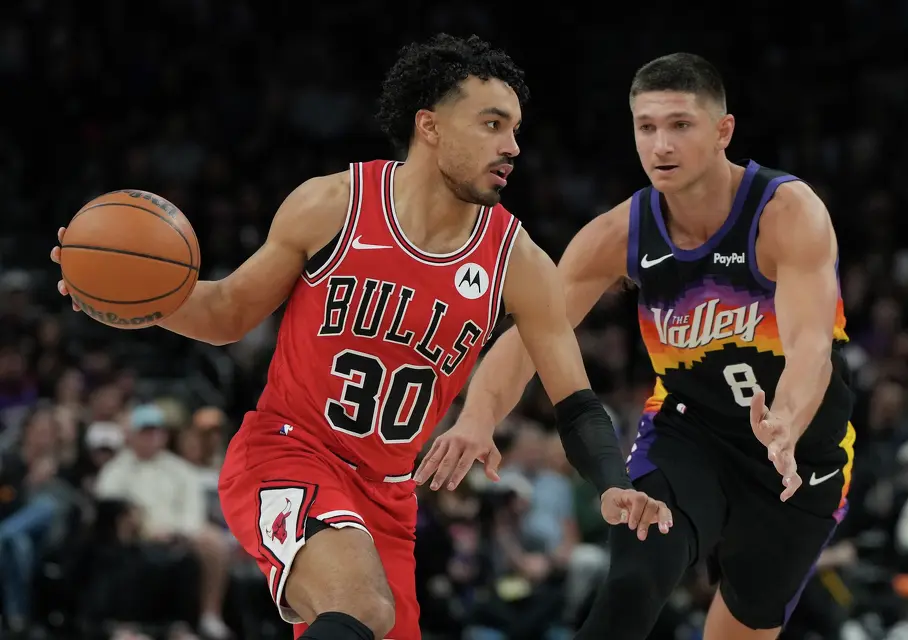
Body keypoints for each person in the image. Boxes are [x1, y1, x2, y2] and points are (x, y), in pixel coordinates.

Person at [51, 34, 673, 640]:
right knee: (362, 605)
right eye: (490, 124)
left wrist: (615, 483)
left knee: (365, 611)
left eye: (514, 128)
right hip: (288, 453)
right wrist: (138, 302)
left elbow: (577, 402)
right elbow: (226, 315)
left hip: (388, 499)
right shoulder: (334, 204)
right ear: (429, 126)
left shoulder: (519, 263)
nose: (511, 145)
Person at [416, 52, 857, 639]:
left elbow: (810, 347)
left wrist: (786, 419)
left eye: (680, 125)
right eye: (646, 127)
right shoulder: (619, 232)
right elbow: (533, 335)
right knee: (632, 580)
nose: (660, 145)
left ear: (723, 130)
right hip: (689, 432)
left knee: (741, 630)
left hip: (800, 454)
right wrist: (478, 416)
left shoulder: (786, 212)